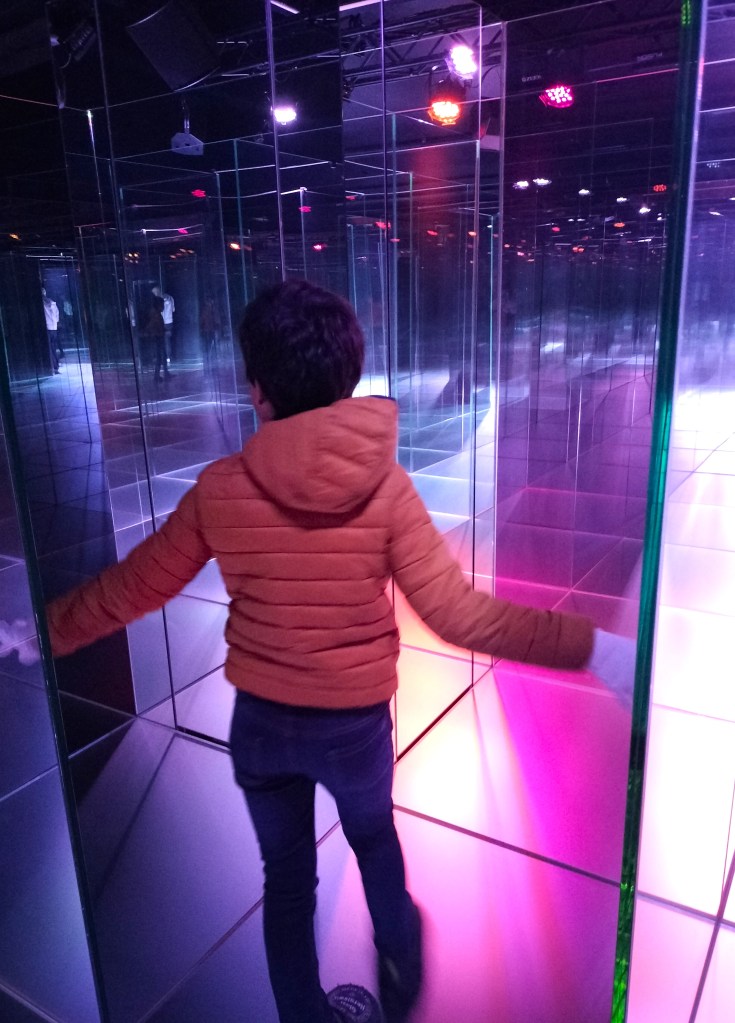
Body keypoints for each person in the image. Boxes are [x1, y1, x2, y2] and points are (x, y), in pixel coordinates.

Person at [44, 280, 634, 1023]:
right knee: (373, 839)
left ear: (257, 390)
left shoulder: (220, 488)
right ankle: (401, 970)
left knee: (287, 882)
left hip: (260, 728)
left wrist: (47, 628)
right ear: (346, 377)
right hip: (352, 728)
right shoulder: (385, 487)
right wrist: (588, 646)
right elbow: (459, 615)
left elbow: (134, 588)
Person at [143, 295, 172, 382]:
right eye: (162, 305)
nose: (163, 307)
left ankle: (162, 374)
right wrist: (160, 332)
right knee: (159, 357)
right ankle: (156, 376)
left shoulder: (156, 314)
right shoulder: (155, 315)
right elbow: (153, 326)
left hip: (158, 337)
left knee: (161, 356)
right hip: (158, 338)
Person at [152, 284, 175, 362]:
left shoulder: (158, 300)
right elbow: (173, 309)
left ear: (157, 291)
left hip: (161, 322)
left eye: (154, 292)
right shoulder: (170, 297)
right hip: (169, 321)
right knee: (167, 340)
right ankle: (168, 356)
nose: (154, 294)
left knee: (160, 340)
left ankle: (162, 357)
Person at [42, 287, 61, 374]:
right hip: (54, 328)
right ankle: (56, 366)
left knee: (49, 349)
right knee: (53, 348)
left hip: (47, 328)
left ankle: (53, 366)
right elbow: (57, 317)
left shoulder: (42, 303)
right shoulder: (53, 303)